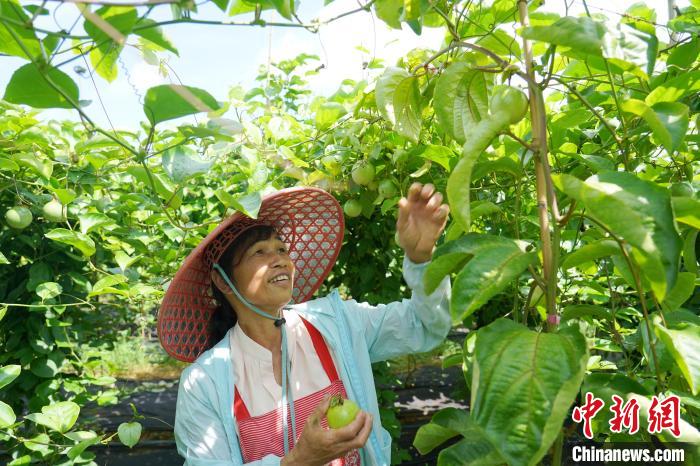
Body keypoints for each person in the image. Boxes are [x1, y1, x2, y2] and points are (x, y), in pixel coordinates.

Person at [158, 182, 452, 466]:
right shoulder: (205, 382)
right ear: (222, 280)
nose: (280, 260)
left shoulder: (337, 324)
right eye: (259, 252)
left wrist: (421, 259)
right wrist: (299, 461)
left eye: (282, 250)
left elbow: (422, 326)